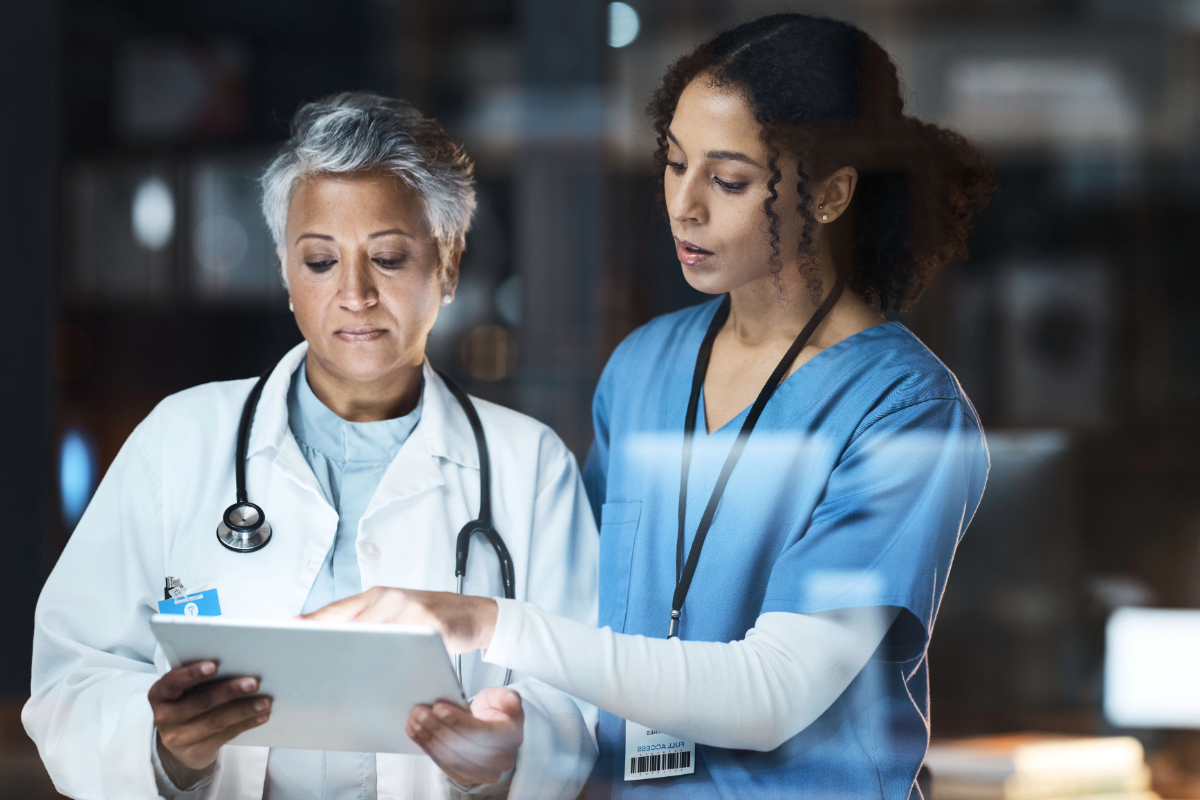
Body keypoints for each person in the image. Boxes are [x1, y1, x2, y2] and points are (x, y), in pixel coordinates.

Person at [306, 14, 995, 799]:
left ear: (832, 193)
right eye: (673, 164)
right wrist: (514, 735)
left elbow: (773, 696)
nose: (685, 206)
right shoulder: (643, 368)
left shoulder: (903, 408)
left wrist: (486, 621)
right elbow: (598, 638)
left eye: (728, 180)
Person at [23, 92, 598, 800]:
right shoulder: (180, 440)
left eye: (388, 257)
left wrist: (508, 756)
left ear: (448, 267)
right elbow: (67, 680)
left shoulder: (529, 467)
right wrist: (166, 748)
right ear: (285, 274)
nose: (353, 294)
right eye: (321, 261)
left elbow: (582, 703)